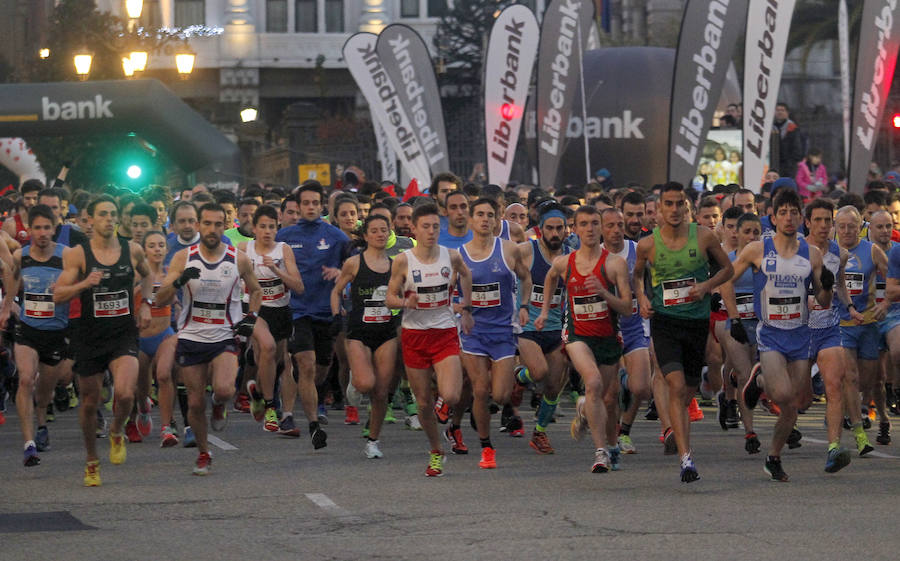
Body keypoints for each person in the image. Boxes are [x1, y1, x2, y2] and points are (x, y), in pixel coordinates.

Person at [728, 189, 833, 481]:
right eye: (783, 212)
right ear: (773, 217)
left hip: (800, 334)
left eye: (794, 212)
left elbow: (823, 302)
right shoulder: (757, 249)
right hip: (771, 334)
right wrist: (732, 313)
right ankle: (761, 376)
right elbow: (726, 278)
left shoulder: (811, 254)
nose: (789, 218)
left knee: (793, 404)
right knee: (782, 394)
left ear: (802, 218)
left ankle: (773, 456)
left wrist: (826, 285)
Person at [633, 182, 733, 482]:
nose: (675, 210)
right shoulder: (648, 244)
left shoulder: (703, 237)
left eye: (680, 204)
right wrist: (641, 298)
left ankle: (685, 420)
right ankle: (686, 458)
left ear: (687, 207)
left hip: (696, 323)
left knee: (687, 390)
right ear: (659, 209)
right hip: (665, 322)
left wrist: (705, 286)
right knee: (675, 386)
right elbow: (637, 276)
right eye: (669, 204)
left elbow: (727, 269)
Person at [53, 195, 154, 487]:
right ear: (91, 220)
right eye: (103, 214)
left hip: (122, 332)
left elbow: (147, 276)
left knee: (124, 393)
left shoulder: (132, 249)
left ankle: (117, 430)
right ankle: (91, 459)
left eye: (113, 214)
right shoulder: (78, 255)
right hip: (89, 335)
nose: (109, 219)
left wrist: (145, 302)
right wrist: (85, 283)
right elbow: (59, 294)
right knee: (89, 401)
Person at [156, 203, 263, 475]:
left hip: (225, 335)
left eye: (218, 224)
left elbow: (257, 290)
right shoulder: (182, 258)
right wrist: (179, 283)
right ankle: (204, 453)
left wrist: (251, 317)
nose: (213, 229)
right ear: (199, 226)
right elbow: (160, 299)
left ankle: (218, 405)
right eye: (207, 224)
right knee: (193, 402)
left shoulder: (237, 258)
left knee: (225, 389)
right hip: (192, 336)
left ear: (224, 225)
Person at [536, 206, 632, 472]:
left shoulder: (615, 264)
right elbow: (550, 277)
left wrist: (603, 292)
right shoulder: (566, 262)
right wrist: (545, 311)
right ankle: (600, 452)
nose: (589, 229)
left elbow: (626, 308)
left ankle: (608, 440)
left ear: (601, 228)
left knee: (608, 399)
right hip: (577, 336)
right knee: (593, 382)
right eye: (583, 224)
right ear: (574, 230)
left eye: (594, 223)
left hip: (608, 337)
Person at [385, 203, 474, 477]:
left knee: (452, 394)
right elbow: (389, 299)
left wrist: (466, 306)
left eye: (436, 226)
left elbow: (467, 275)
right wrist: (404, 302)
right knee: (422, 403)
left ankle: (444, 410)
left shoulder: (451, 256)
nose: (432, 231)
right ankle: (436, 450)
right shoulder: (403, 260)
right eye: (426, 226)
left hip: (444, 331)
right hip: (414, 336)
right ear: (414, 228)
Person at [458, 198, 531, 469]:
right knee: (480, 389)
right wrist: (461, 309)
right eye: (480, 214)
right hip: (474, 331)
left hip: (503, 330)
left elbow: (526, 278)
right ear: (471, 219)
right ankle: (486, 447)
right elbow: (453, 291)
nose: (485, 219)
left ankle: (507, 375)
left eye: (490, 214)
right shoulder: (460, 255)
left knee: (500, 395)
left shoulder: (509, 250)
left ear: (497, 218)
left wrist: (524, 305)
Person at [275, 181, 349, 449]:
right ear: (298, 205)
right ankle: (313, 424)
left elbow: (354, 266)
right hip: (297, 311)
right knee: (305, 364)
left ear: (322, 205)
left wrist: (342, 274)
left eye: (314, 203)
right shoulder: (284, 237)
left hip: (326, 312)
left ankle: (312, 396)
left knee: (320, 368)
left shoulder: (337, 237)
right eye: (305, 203)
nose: (309, 207)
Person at [1, 205, 69, 466]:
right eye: (37, 228)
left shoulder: (68, 256)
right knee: (26, 379)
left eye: (46, 228)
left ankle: (42, 420)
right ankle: (29, 443)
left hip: (56, 330)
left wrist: (64, 288)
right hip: (28, 328)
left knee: (44, 391)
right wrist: (7, 307)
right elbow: (13, 283)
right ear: (28, 230)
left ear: (54, 229)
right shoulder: (21, 256)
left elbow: (78, 289)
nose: (41, 233)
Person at [331, 214, 399, 459]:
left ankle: (373, 440)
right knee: (365, 384)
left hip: (387, 332)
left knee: (381, 392)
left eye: (384, 230)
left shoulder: (396, 264)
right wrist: (336, 311)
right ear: (366, 235)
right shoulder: (354, 263)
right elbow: (336, 291)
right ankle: (354, 382)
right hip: (358, 332)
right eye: (375, 230)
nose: (380, 234)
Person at [238, 205, 303, 433]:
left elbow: (298, 286)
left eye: (272, 227)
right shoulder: (244, 249)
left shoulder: (284, 250)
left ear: (278, 228)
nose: (267, 231)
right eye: (262, 226)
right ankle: (270, 407)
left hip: (280, 309)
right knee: (267, 348)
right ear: (254, 228)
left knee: (283, 362)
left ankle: (287, 415)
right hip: (255, 308)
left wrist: (276, 270)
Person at [514, 203, 572, 454]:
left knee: (553, 385)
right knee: (538, 372)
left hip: (555, 328)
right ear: (540, 230)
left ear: (567, 230)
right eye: (550, 228)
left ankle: (539, 432)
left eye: (560, 228)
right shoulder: (526, 251)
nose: (555, 233)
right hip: (527, 326)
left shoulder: (572, 255)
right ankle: (519, 376)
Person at [599, 208, 653, 455]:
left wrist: (645, 300)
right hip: (604, 330)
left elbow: (649, 281)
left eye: (619, 224)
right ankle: (611, 439)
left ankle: (625, 430)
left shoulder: (636, 250)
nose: (616, 230)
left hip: (633, 326)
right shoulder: (594, 256)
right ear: (601, 229)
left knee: (641, 387)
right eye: (610, 225)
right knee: (610, 395)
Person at [834, 205, 885, 456]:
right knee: (851, 378)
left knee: (866, 380)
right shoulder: (829, 251)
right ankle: (860, 435)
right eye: (841, 226)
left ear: (860, 226)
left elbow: (894, 276)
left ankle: (842, 408)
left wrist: (886, 303)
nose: (846, 231)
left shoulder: (871, 250)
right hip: (840, 324)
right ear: (835, 227)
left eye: (851, 226)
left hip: (868, 323)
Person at [135, 231, 179, 447]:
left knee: (163, 375)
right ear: (144, 250)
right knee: (142, 385)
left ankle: (166, 428)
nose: (157, 249)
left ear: (167, 249)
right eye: (152, 245)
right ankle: (143, 408)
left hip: (165, 335)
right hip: (141, 338)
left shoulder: (170, 274)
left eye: (161, 245)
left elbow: (180, 299)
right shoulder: (138, 276)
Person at [773, 102, 805, 179]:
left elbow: (797, 149)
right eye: (777, 110)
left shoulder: (793, 128)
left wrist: (790, 163)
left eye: (782, 110)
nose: (779, 112)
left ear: (787, 113)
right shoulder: (771, 127)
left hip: (788, 168)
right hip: (773, 165)